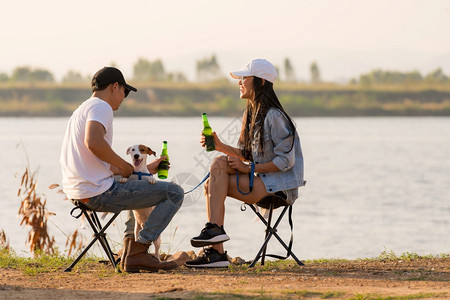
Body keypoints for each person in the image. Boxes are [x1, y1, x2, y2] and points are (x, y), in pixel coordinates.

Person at [60, 66, 184, 272]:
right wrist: (124, 165)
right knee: (175, 192)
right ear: (114, 87)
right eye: (124, 92)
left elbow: (95, 160)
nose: (124, 97)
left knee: (135, 182)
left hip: (79, 191)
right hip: (98, 193)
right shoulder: (102, 107)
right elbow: (94, 143)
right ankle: (139, 249)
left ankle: (130, 248)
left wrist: (144, 171)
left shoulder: (81, 110)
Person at [185, 59, 304, 268]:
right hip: (262, 181)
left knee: (212, 181)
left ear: (261, 82)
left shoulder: (275, 116)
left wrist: (250, 169)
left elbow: (286, 161)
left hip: (280, 188)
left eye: (244, 78)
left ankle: (216, 248)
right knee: (217, 165)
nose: (239, 82)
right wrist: (220, 146)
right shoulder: (252, 114)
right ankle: (216, 243)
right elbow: (249, 154)